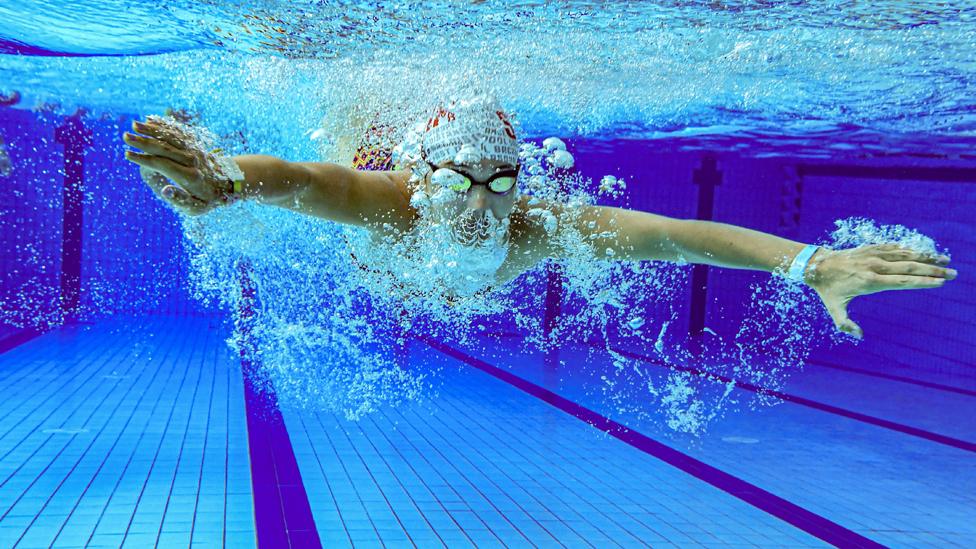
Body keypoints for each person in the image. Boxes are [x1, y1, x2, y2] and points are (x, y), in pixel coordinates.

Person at [122, 96, 956, 339]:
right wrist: (229, 179)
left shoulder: (542, 223)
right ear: (423, 181)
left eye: (501, 181)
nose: (483, 204)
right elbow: (304, 181)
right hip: (383, 221)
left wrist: (813, 264)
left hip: (434, 271)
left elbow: (685, 238)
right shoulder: (394, 203)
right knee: (334, 150)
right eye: (457, 182)